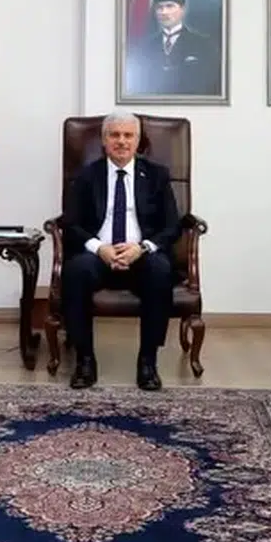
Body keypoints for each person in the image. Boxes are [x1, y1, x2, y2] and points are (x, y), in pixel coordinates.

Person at [60, 112, 181, 390]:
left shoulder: (157, 175)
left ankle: (148, 361)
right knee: (75, 271)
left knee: (160, 270)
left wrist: (142, 248)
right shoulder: (87, 175)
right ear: (104, 140)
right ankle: (85, 360)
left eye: (128, 135)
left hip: (141, 255)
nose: (122, 141)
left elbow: (171, 226)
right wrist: (99, 248)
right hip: (98, 256)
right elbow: (71, 224)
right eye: (115, 135)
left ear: (138, 141)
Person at [126, 0, 222, 97]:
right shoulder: (144, 48)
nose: (164, 12)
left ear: (183, 9)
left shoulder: (204, 46)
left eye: (170, 6)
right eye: (159, 7)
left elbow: (213, 87)